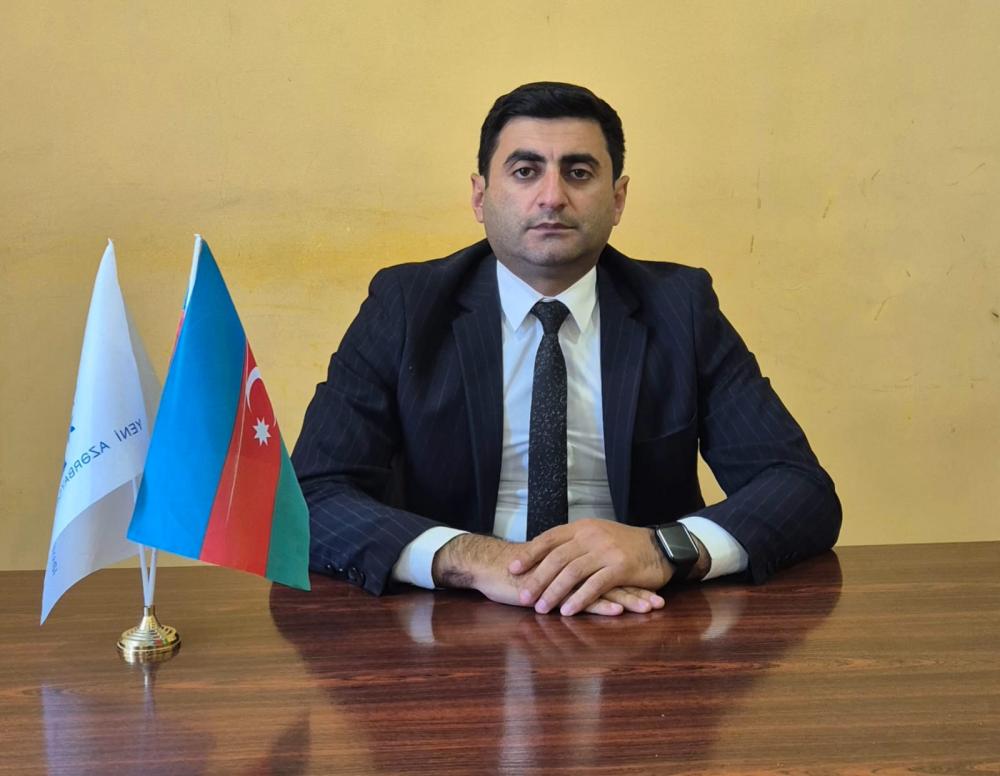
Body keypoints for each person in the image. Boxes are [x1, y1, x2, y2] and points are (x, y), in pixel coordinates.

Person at [292, 82, 841, 617]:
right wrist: (471, 559)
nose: (552, 197)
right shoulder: (407, 306)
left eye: (578, 172)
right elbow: (311, 496)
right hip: (455, 618)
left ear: (618, 199)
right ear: (480, 197)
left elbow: (799, 489)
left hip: (643, 616)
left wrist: (661, 549)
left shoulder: (681, 308)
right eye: (525, 171)